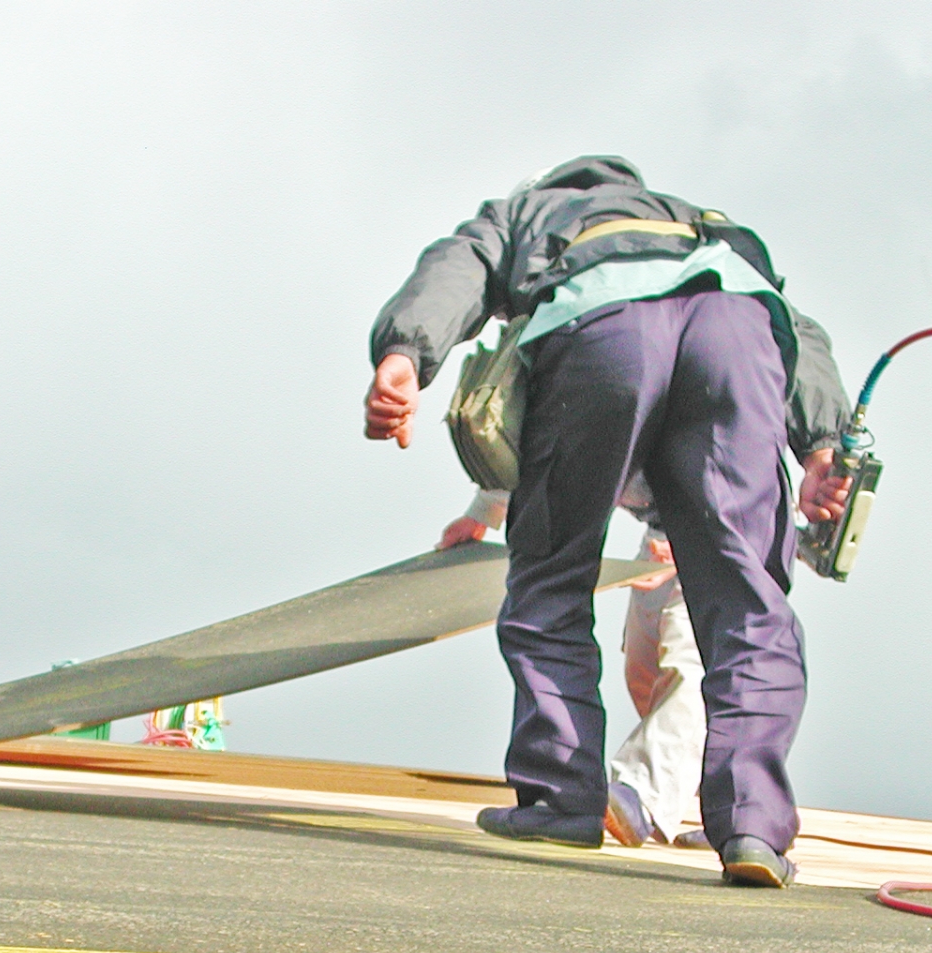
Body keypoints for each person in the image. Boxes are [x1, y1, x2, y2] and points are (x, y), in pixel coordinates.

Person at [365, 156, 851, 887]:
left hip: (604, 328)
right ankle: (753, 826)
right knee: (749, 598)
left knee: (554, 571)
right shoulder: (694, 220)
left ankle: (561, 797)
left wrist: (406, 351)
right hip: (736, 328)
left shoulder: (530, 212)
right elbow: (795, 328)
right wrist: (820, 440)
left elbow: (458, 267)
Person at [440, 486, 704, 850]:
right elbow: (547, 452)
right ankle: (724, 794)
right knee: (645, 672)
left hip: (720, 525)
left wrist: (698, 529)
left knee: (689, 667)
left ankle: (641, 796)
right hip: (667, 532)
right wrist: (482, 514)